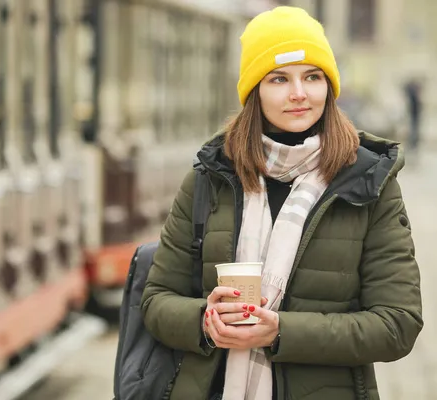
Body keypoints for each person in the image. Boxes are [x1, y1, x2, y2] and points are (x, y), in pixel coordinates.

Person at [141, 6, 422, 400]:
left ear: (329, 85)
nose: (299, 93)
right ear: (254, 90)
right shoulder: (211, 176)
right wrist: (205, 320)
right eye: (278, 78)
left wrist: (280, 332)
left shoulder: (369, 182)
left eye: (312, 76)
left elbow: (397, 324)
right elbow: (155, 300)